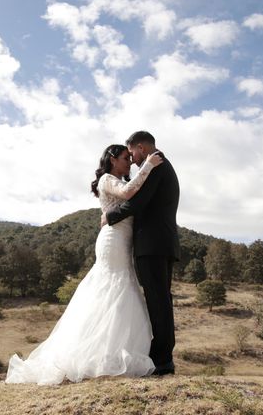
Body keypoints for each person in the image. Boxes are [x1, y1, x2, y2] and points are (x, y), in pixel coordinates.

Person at [5, 144, 163, 385]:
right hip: (113, 241)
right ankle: (96, 355)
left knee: (121, 292)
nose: (130, 162)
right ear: (112, 159)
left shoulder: (114, 178)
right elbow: (129, 192)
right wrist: (149, 166)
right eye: (125, 158)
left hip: (124, 241)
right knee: (112, 289)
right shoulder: (107, 179)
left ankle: (108, 353)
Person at [103, 131, 180, 376]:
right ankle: (162, 357)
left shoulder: (155, 165)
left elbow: (137, 202)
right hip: (160, 242)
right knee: (161, 300)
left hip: (153, 244)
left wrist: (110, 217)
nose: (133, 161)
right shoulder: (160, 164)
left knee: (158, 302)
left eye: (132, 153)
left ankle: (162, 360)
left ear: (141, 147)